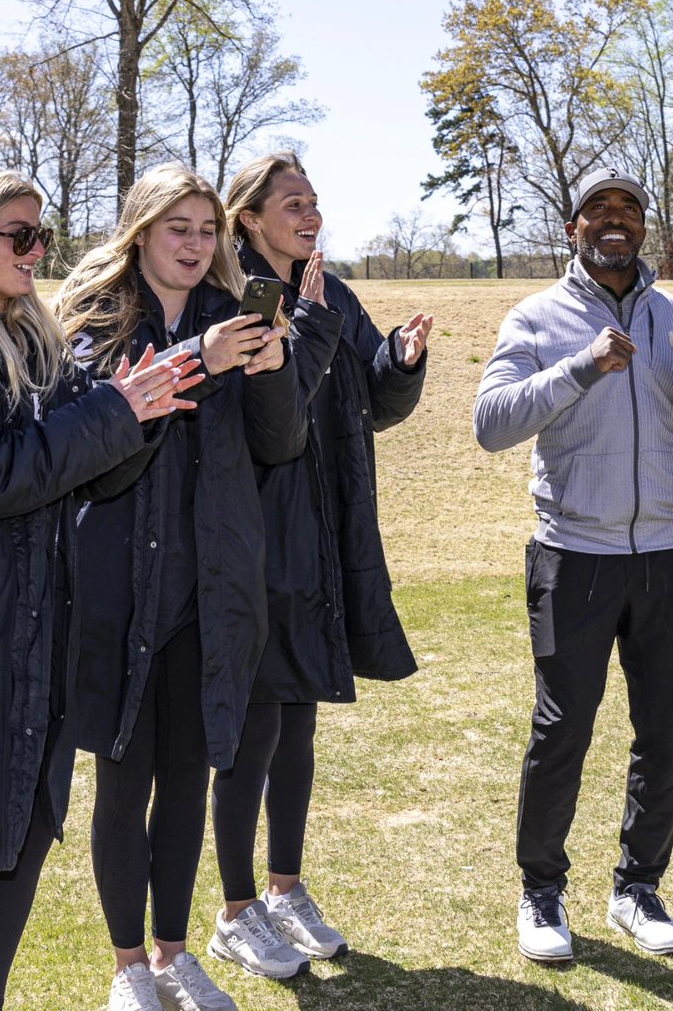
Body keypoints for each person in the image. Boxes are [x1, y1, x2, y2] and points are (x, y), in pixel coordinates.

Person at [55, 163, 307, 1011]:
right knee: (125, 787)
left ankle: (172, 955)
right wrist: (196, 359)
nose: (197, 246)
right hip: (122, 595)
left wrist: (273, 367)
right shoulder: (97, 321)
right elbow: (100, 462)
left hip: (213, 592)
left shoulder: (238, 317)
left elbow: (281, 446)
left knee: (187, 782)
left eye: (207, 231)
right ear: (141, 232)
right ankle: (128, 967)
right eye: (179, 229)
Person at [474, 166, 673, 963]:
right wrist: (580, 367)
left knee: (665, 729)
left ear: (644, 229)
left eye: (627, 208)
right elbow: (492, 423)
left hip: (668, 553)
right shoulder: (537, 317)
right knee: (563, 731)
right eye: (597, 209)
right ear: (572, 227)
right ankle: (541, 892)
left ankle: (637, 889)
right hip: (574, 556)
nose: (613, 220)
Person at [0, 166, 202, 1011]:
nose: (38, 252)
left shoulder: (32, 340)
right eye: (18, 235)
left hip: (31, 659)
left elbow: (88, 478)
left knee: (17, 864)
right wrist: (116, 412)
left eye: (44, 236)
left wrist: (138, 414)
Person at [207, 152, 431, 978]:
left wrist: (400, 361)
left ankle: (284, 888)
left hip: (324, 529)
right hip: (258, 532)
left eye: (314, 203)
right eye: (292, 204)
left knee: (298, 718)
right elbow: (269, 416)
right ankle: (234, 910)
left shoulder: (330, 292)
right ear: (251, 218)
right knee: (255, 724)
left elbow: (372, 400)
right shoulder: (238, 301)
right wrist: (308, 329)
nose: (310, 216)